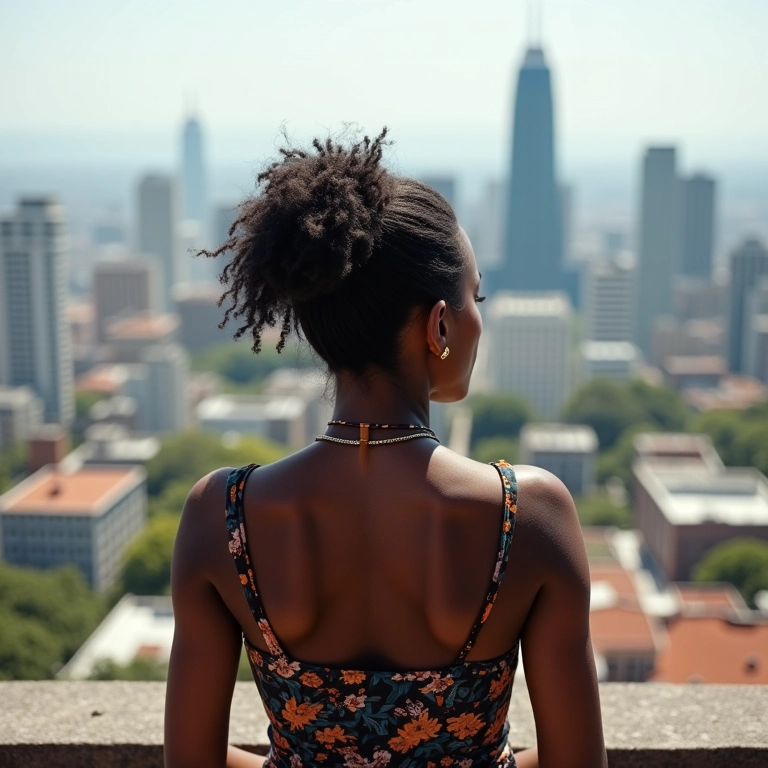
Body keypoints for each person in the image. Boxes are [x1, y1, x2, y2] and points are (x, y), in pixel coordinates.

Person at [164, 130, 607, 768]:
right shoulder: (529, 514)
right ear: (440, 326)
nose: (479, 315)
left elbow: (191, 763)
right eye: (474, 297)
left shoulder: (218, 514)